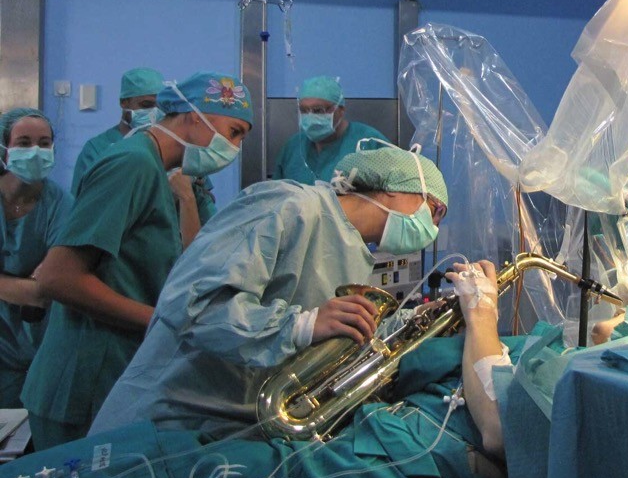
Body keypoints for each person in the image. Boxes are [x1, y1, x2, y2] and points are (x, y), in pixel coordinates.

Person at [0, 257, 628, 478]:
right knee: (174, 462)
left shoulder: (594, 388)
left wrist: (482, 314)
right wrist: (423, 328)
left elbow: (499, 429)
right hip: (337, 447)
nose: (606, 320)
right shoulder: (548, 347)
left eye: (619, 323)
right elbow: (420, 370)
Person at [90, 140, 449, 438]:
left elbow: (334, 331)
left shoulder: (353, 252)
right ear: (394, 186)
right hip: (163, 422)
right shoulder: (290, 206)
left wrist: (424, 317)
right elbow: (195, 307)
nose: (432, 228)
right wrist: (302, 325)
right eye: (434, 211)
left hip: (230, 430)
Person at [21, 72, 253, 449]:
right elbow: (57, 277)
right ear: (193, 116)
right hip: (84, 380)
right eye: (234, 132)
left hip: (114, 371)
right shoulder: (133, 163)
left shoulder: (160, 171)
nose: (235, 147)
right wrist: (161, 322)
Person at [71, 66, 217, 228]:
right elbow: (83, 210)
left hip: (176, 238)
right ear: (124, 102)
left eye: (161, 106)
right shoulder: (98, 149)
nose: (155, 112)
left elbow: (207, 213)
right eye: (146, 104)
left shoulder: (180, 148)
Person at [0, 109, 73, 407]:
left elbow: (47, 289)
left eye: (44, 143)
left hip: (40, 341)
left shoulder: (60, 204)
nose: (35, 151)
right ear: (4, 148)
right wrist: (27, 285)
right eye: (24, 142)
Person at [273, 75, 387, 184]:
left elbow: (394, 189)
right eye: (303, 110)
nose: (310, 116)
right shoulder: (293, 148)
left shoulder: (369, 143)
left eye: (318, 110)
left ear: (341, 109)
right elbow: (277, 192)